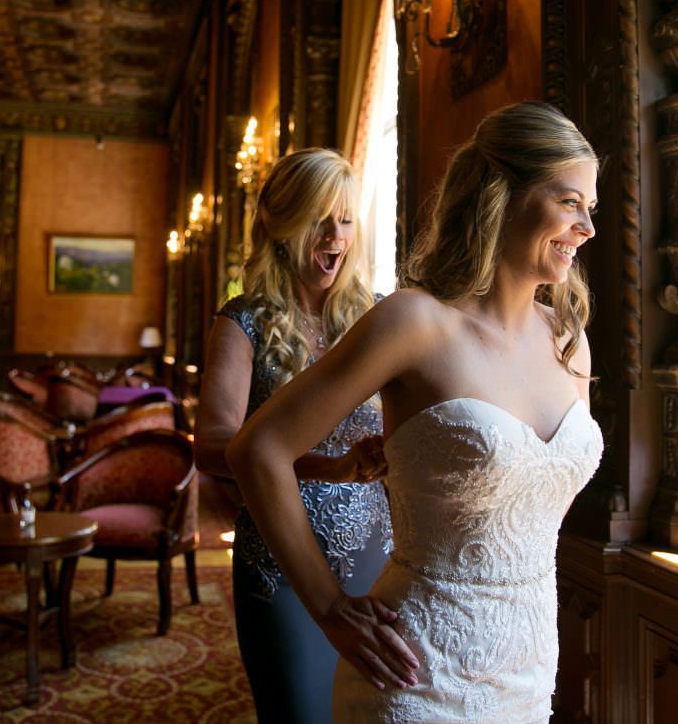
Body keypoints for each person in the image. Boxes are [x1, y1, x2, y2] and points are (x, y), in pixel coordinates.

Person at [227, 102, 605, 722]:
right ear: (502, 195)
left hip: (531, 669)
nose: (587, 226)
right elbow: (256, 449)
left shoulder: (568, 338)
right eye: (569, 202)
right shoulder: (415, 322)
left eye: (589, 206)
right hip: (415, 672)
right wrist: (327, 608)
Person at [194, 147, 393, 723]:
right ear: (282, 226)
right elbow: (212, 446)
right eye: (318, 218)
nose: (336, 234)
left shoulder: (379, 318)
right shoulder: (243, 321)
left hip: (379, 557)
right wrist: (327, 467)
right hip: (278, 559)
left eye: (346, 218)